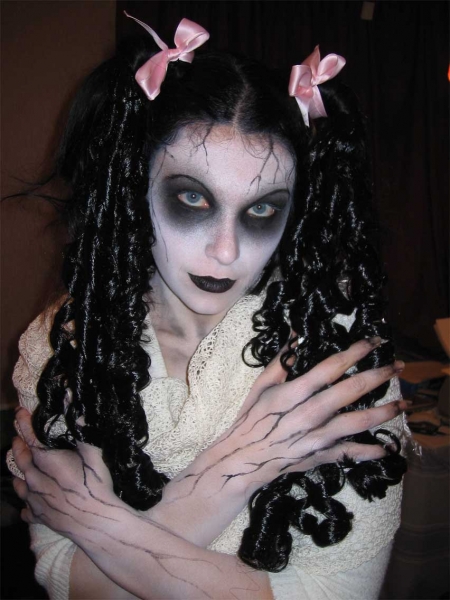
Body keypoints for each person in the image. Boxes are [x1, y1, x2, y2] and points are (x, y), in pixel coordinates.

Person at [10, 15, 408, 600]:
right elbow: (60, 574)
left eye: (263, 209)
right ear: (134, 188)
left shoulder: (333, 353)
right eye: (192, 198)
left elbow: (340, 593)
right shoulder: (67, 341)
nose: (225, 251)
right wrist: (234, 472)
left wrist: (95, 525)